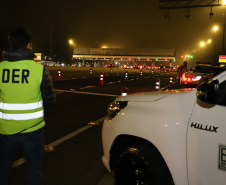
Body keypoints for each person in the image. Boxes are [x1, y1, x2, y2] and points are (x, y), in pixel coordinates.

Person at [0, 27, 55, 185]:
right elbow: (49, 100)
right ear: (29, 45)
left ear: (11, 44)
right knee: (34, 171)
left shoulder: (1, 69)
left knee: (3, 170)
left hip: (6, 131)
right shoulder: (39, 70)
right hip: (33, 130)